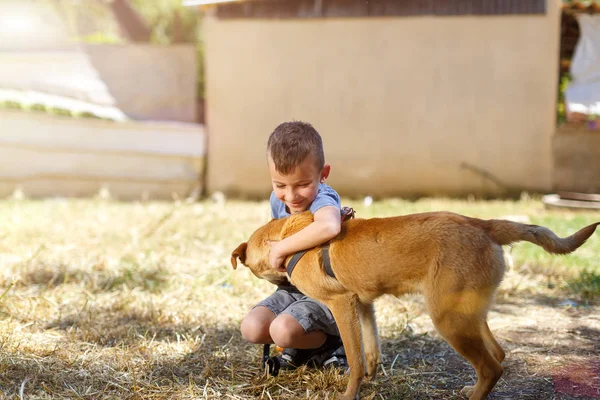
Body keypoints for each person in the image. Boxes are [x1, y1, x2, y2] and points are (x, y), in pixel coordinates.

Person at [240, 120, 347, 372]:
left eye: (301, 184)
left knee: (282, 331)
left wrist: (280, 248)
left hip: (324, 292)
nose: (291, 196)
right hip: (293, 287)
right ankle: (303, 345)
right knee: (252, 328)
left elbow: (329, 226)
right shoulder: (279, 201)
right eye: (280, 185)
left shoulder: (323, 197)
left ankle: (334, 343)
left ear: (323, 174)